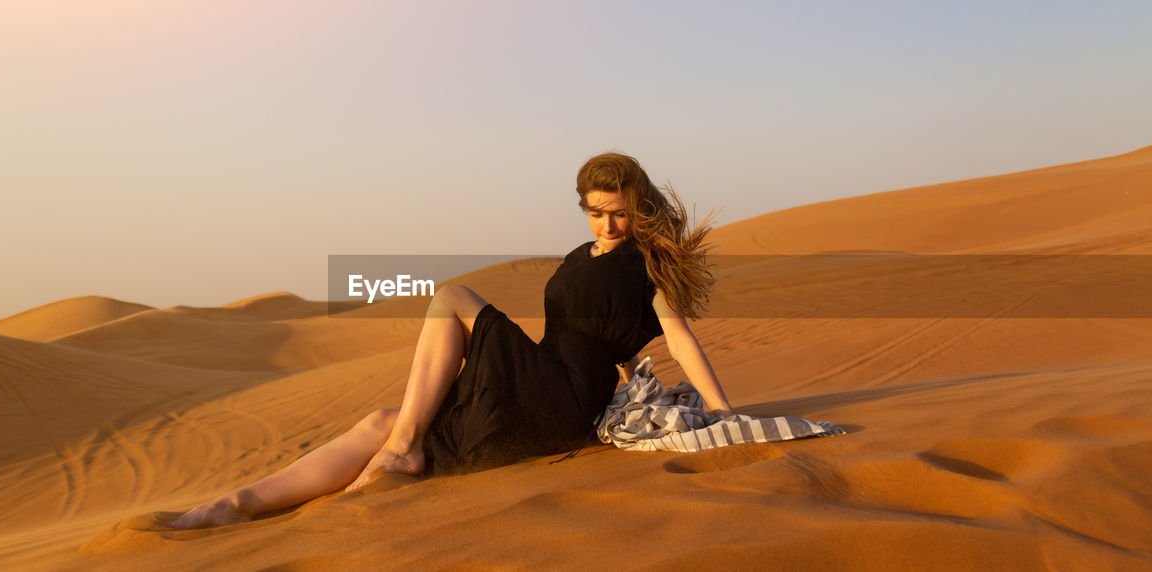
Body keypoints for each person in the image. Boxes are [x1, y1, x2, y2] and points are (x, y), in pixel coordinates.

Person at [163, 152, 731, 529]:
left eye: (619, 214)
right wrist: (632, 382)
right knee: (382, 419)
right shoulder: (579, 259)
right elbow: (619, 345)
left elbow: (674, 340)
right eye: (596, 213)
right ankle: (235, 506)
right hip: (537, 375)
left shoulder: (647, 267)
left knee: (451, 298)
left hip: (562, 396)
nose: (608, 225)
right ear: (584, 208)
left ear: (638, 209)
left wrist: (722, 411)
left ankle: (404, 451)